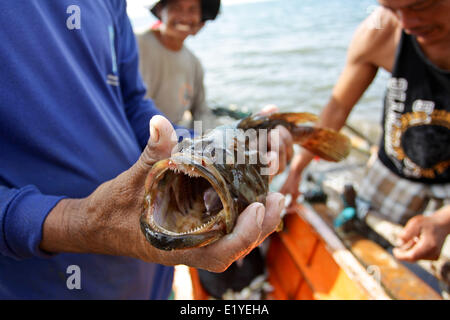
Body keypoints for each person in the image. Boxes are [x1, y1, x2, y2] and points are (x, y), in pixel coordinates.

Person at [0, 1, 290, 299]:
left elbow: (132, 102)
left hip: (152, 275)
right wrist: (80, 222)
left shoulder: (112, 5)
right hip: (45, 285)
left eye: (195, 10)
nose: (186, 16)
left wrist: (214, 148)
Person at [281, 0, 450, 263]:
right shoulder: (381, 29)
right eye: (393, 9)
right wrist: (296, 171)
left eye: (419, 6)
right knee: (367, 246)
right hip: (394, 169)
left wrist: (443, 220)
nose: (405, 23)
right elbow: (337, 109)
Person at [137, 0, 219, 130]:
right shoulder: (135, 45)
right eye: (176, 8)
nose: (184, 17)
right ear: (160, 10)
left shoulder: (194, 64)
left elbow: (201, 111)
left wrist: (203, 140)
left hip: (173, 139)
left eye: (192, 10)